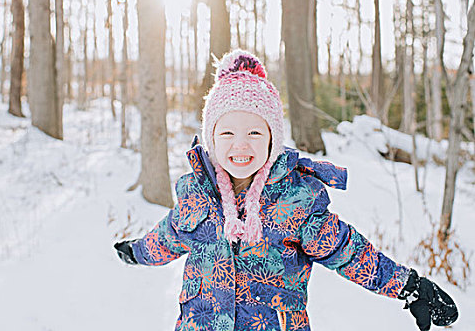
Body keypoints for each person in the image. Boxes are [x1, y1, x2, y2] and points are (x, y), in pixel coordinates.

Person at [114, 50, 458, 331]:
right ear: (211, 138)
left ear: (272, 139)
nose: (240, 146)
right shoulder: (195, 193)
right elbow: (168, 235)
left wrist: (407, 285)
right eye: (227, 134)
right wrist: (137, 252)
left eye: (254, 133)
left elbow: (348, 251)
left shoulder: (296, 199)